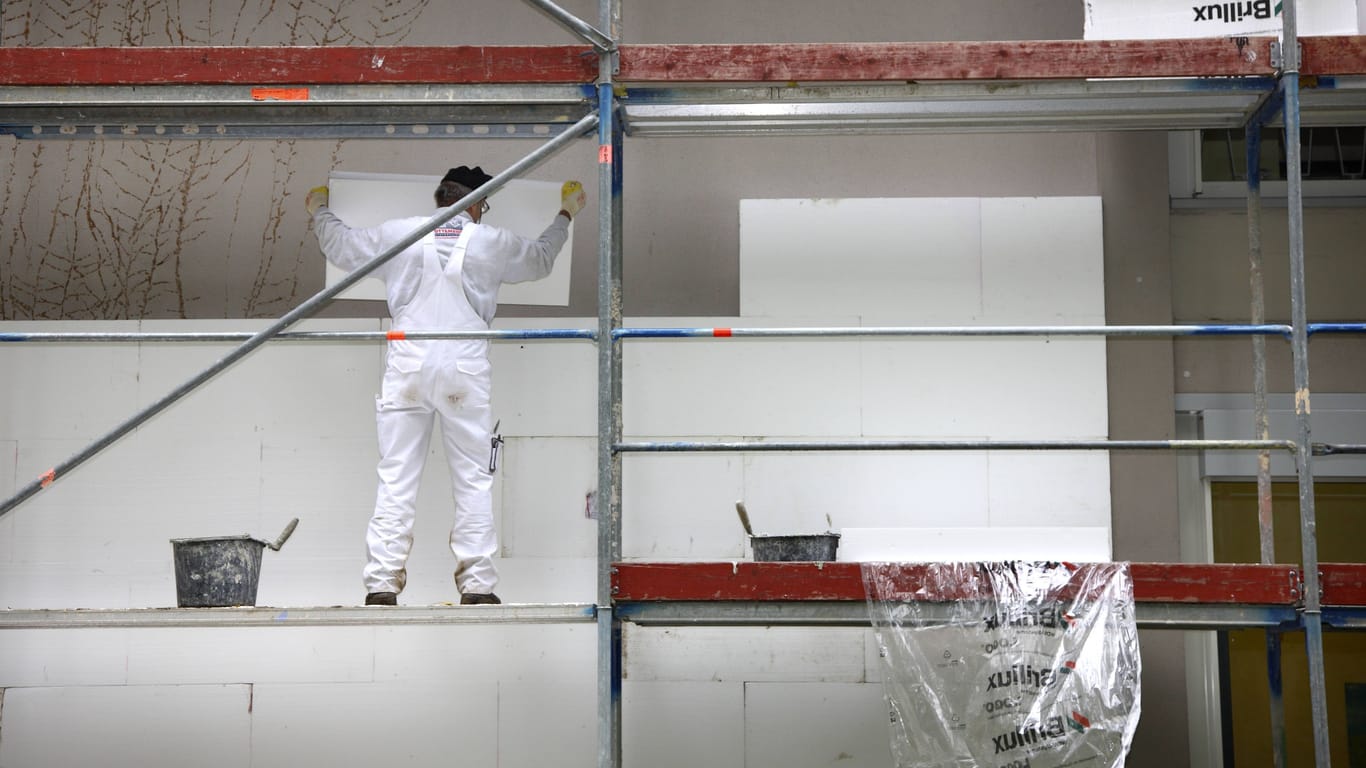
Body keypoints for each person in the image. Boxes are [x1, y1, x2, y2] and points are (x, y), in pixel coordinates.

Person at [305, 166, 587, 606]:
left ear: (442, 198)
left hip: (409, 366)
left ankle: (381, 584)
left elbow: (341, 245)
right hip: (464, 370)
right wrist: (566, 215)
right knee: (473, 481)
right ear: (475, 203)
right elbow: (541, 258)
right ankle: (477, 585)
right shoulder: (490, 241)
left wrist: (319, 208)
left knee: (396, 476)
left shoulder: (399, 234)